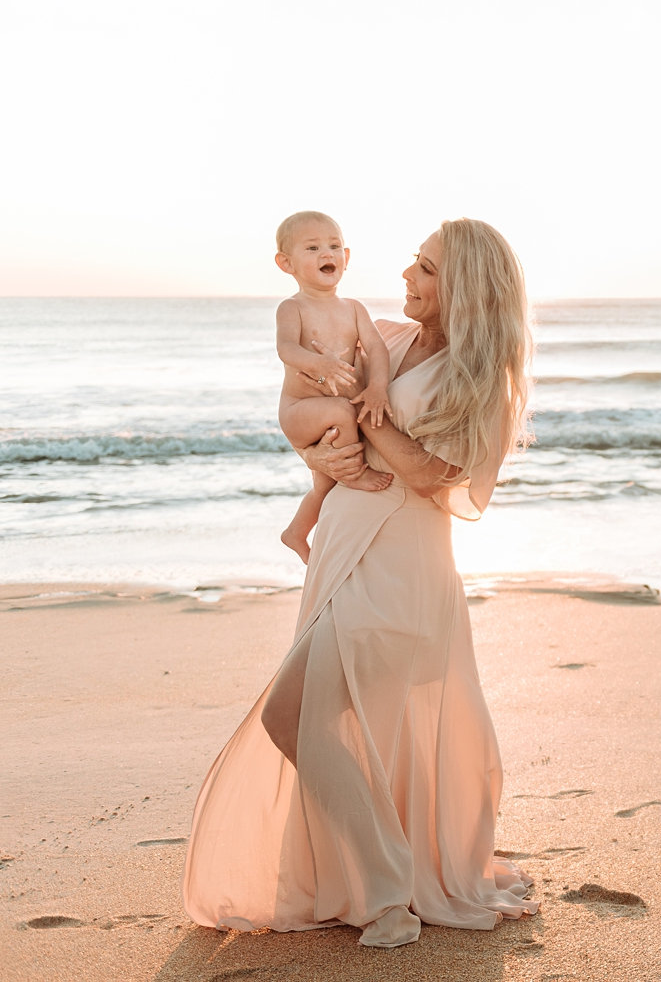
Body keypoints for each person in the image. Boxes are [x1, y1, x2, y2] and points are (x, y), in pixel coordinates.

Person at [183, 218, 538, 948]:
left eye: (427, 267)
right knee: (319, 721)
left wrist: (363, 428)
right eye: (413, 261)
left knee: (293, 717)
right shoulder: (387, 338)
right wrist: (327, 449)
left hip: (400, 568)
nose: (406, 275)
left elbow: (432, 475)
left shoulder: (482, 381)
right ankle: (386, 879)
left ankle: (387, 890)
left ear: (464, 286)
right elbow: (302, 411)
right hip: (344, 552)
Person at [273, 210, 393, 564]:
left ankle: (295, 532)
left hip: (329, 416)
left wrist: (378, 388)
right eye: (311, 248)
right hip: (299, 410)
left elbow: (377, 348)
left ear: (347, 257)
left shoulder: (354, 308)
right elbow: (286, 349)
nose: (327, 254)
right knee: (343, 410)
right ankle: (355, 475)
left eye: (334, 246)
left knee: (324, 485)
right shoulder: (292, 308)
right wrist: (320, 364)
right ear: (286, 263)